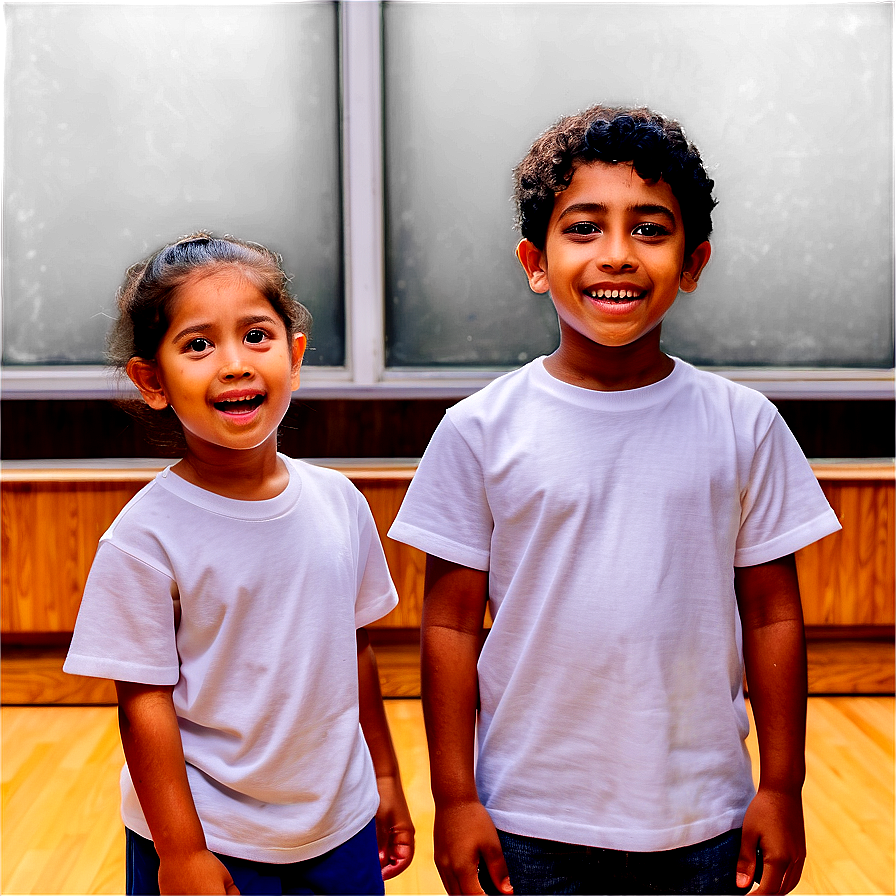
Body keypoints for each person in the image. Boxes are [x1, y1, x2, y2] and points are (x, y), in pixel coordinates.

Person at [388, 107, 841, 896]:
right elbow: (450, 623)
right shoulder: (479, 430)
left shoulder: (744, 424)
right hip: (527, 816)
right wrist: (454, 797)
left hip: (703, 818)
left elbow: (773, 615)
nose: (618, 255)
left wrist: (781, 787)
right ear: (535, 260)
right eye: (585, 228)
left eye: (651, 230)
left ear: (693, 263)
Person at [64, 233, 414, 895]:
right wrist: (184, 852)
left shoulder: (340, 502)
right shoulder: (144, 538)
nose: (234, 364)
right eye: (199, 344)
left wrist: (387, 781)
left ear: (295, 355)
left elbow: (355, 653)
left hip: (337, 828)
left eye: (257, 335)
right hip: (206, 836)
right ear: (153, 381)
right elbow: (143, 706)